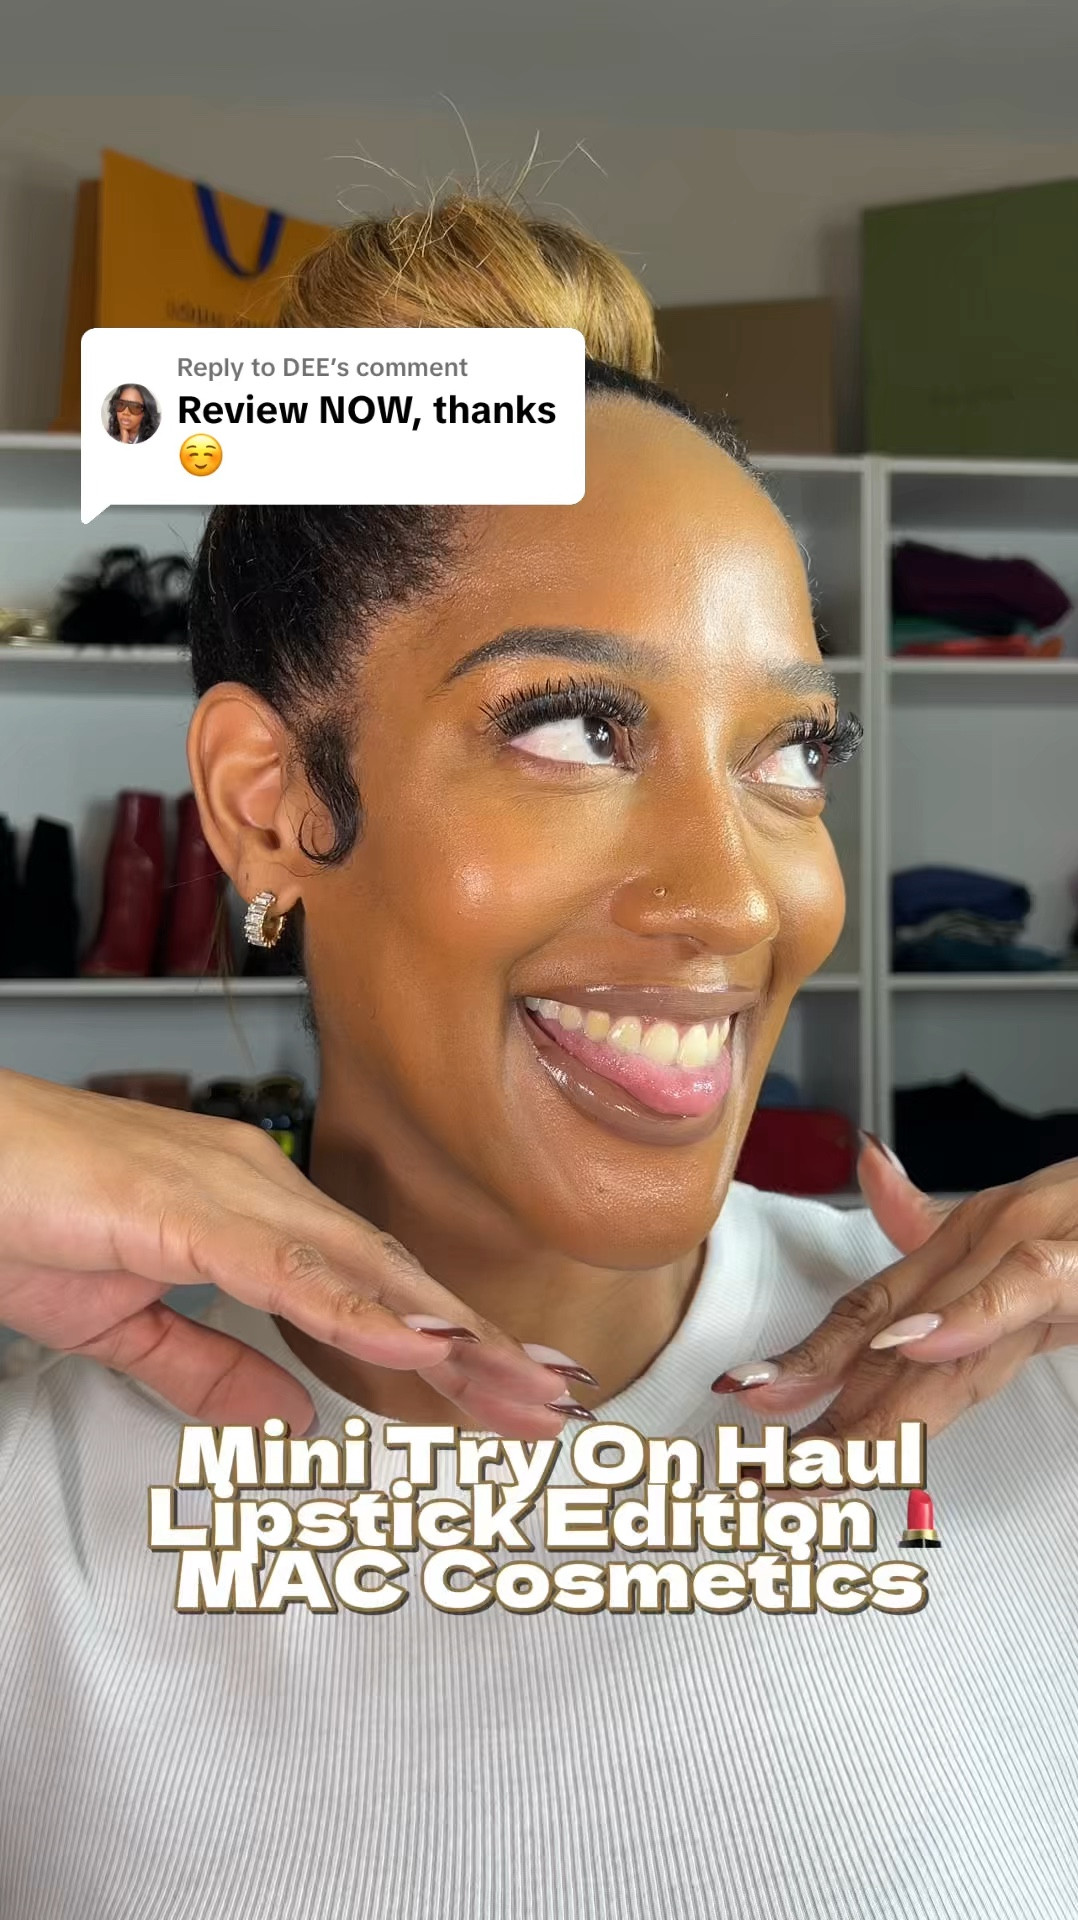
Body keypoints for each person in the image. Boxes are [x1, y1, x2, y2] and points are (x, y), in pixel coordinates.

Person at [1, 197, 1076, 1920]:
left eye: (793, 753)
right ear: (268, 806)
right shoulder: (35, 1514)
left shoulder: (1029, 1398)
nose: (738, 897)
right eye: (577, 727)